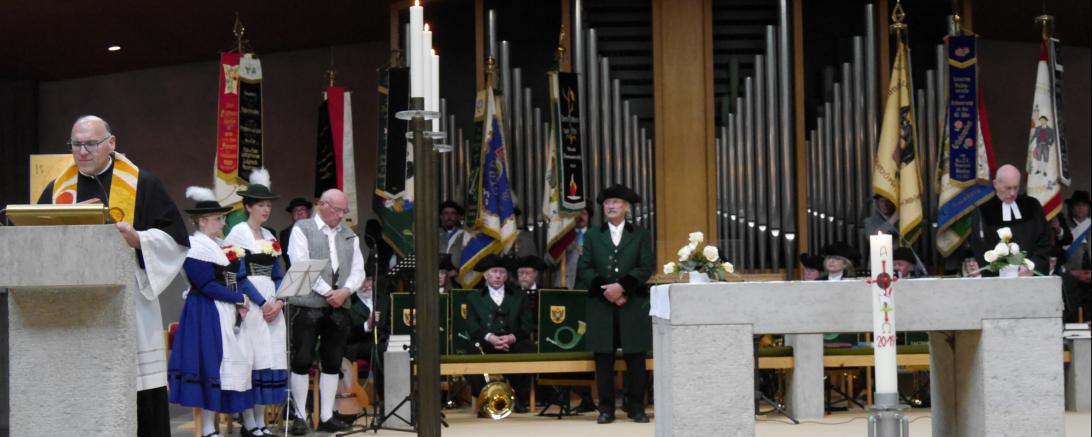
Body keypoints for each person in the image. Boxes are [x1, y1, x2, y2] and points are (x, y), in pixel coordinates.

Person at [37, 115, 190, 437]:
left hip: (127, 305)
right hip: (75, 306)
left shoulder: (143, 184)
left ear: (111, 143)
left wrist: (139, 239)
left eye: (90, 144)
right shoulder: (57, 188)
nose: (82, 152)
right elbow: (35, 240)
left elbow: (175, 239)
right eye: (76, 144)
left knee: (137, 389)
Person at [167, 186, 256, 437]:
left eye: (222, 217)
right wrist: (238, 297)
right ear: (203, 221)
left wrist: (239, 297)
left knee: (226, 367)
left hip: (224, 311)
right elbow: (205, 284)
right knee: (210, 367)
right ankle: (207, 428)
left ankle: (239, 422)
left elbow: (230, 279)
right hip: (205, 312)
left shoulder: (220, 245)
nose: (223, 222)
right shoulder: (196, 246)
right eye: (218, 218)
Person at [285, 189, 366, 434]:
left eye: (344, 211)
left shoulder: (349, 235)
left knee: (332, 362)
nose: (342, 215)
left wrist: (345, 291)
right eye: (338, 210)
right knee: (302, 359)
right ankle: (300, 416)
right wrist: (329, 292)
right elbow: (300, 263)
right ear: (322, 205)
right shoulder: (302, 228)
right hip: (307, 305)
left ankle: (327, 415)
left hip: (339, 306)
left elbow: (358, 270)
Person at [575, 184, 655, 424]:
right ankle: (606, 408)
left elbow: (646, 267)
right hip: (601, 304)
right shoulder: (592, 235)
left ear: (627, 207)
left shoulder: (640, 234)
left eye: (616, 202)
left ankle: (636, 407)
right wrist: (608, 291)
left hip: (632, 303)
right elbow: (585, 268)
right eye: (607, 203)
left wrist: (622, 288)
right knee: (604, 358)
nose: (610, 206)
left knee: (635, 357)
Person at [223, 169, 287, 437]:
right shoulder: (238, 233)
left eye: (269, 205)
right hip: (252, 305)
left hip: (272, 303)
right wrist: (262, 303)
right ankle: (249, 422)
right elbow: (234, 274)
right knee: (251, 359)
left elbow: (278, 272)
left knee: (269, 358)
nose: (266, 209)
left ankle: (261, 421)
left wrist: (280, 301)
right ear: (248, 206)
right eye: (261, 204)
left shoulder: (270, 236)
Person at [465, 254, 535, 414]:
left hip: (513, 342)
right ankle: (486, 399)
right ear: (485, 274)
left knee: (527, 348)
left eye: (502, 272)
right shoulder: (473, 297)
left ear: (506, 275)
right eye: (494, 271)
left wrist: (511, 338)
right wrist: (490, 338)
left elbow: (527, 324)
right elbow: (471, 325)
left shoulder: (519, 296)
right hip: (486, 342)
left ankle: (521, 399)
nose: (497, 275)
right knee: (473, 349)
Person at [970, 164, 1052, 276]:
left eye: (1016, 187)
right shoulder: (983, 211)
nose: (1012, 193)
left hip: (1031, 279)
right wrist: (1002, 270)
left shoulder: (1032, 206)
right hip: (997, 282)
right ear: (995, 184)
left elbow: (1045, 240)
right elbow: (980, 248)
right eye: (1007, 188)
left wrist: (1033, 266)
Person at [1063, 191, 1091, 322]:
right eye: (1077, 205)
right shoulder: (1064, 228)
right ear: (1071, 207)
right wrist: (1070, 273)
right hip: (1071, 278)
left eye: (1084, 205)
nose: (1081, 208)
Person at [558, 206, 595, 289]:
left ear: (589, 216)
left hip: (589, 286)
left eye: (584, 213)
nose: (580, 216)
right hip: (565, 285)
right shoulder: (562, 236)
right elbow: (548, 261)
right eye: (577, 214)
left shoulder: (596, 236)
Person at [279, 197, 313, 269]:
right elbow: (287, 258)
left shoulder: (316, 230)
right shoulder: (284, 233)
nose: (299, 212)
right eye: (295, 210)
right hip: (294, 273)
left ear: (308, 212)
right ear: (291, 215)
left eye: (302, 209)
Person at [440, 200, 466, 271]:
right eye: (446, 213)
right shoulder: (433, 234)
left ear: (457, 217)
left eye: (453, 213)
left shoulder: (465, 235)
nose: (449, 216)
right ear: (441, 217)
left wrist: (457, 271)